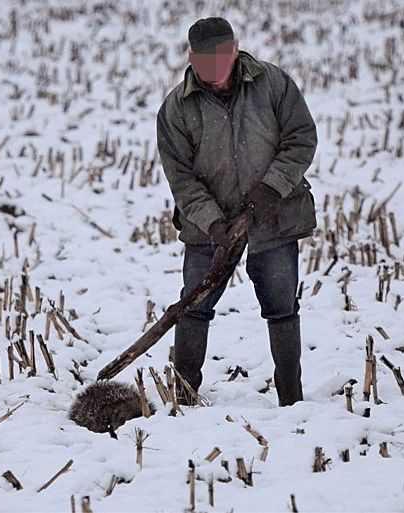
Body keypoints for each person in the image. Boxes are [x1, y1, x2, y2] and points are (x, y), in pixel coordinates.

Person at [156, 17, 318, 406]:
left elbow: (301, 139)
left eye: (221, 55)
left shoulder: (274, 84)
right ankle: (185, 394)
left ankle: (291, 398)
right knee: (193, 306)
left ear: (234, 49)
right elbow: (181, 178)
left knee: (281, 307)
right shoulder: (176, 109)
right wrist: (212, 221)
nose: (214, 65)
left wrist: (269, 191)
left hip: (274, 216)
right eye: (205, 58)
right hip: (208, 227)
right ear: (192, 58)